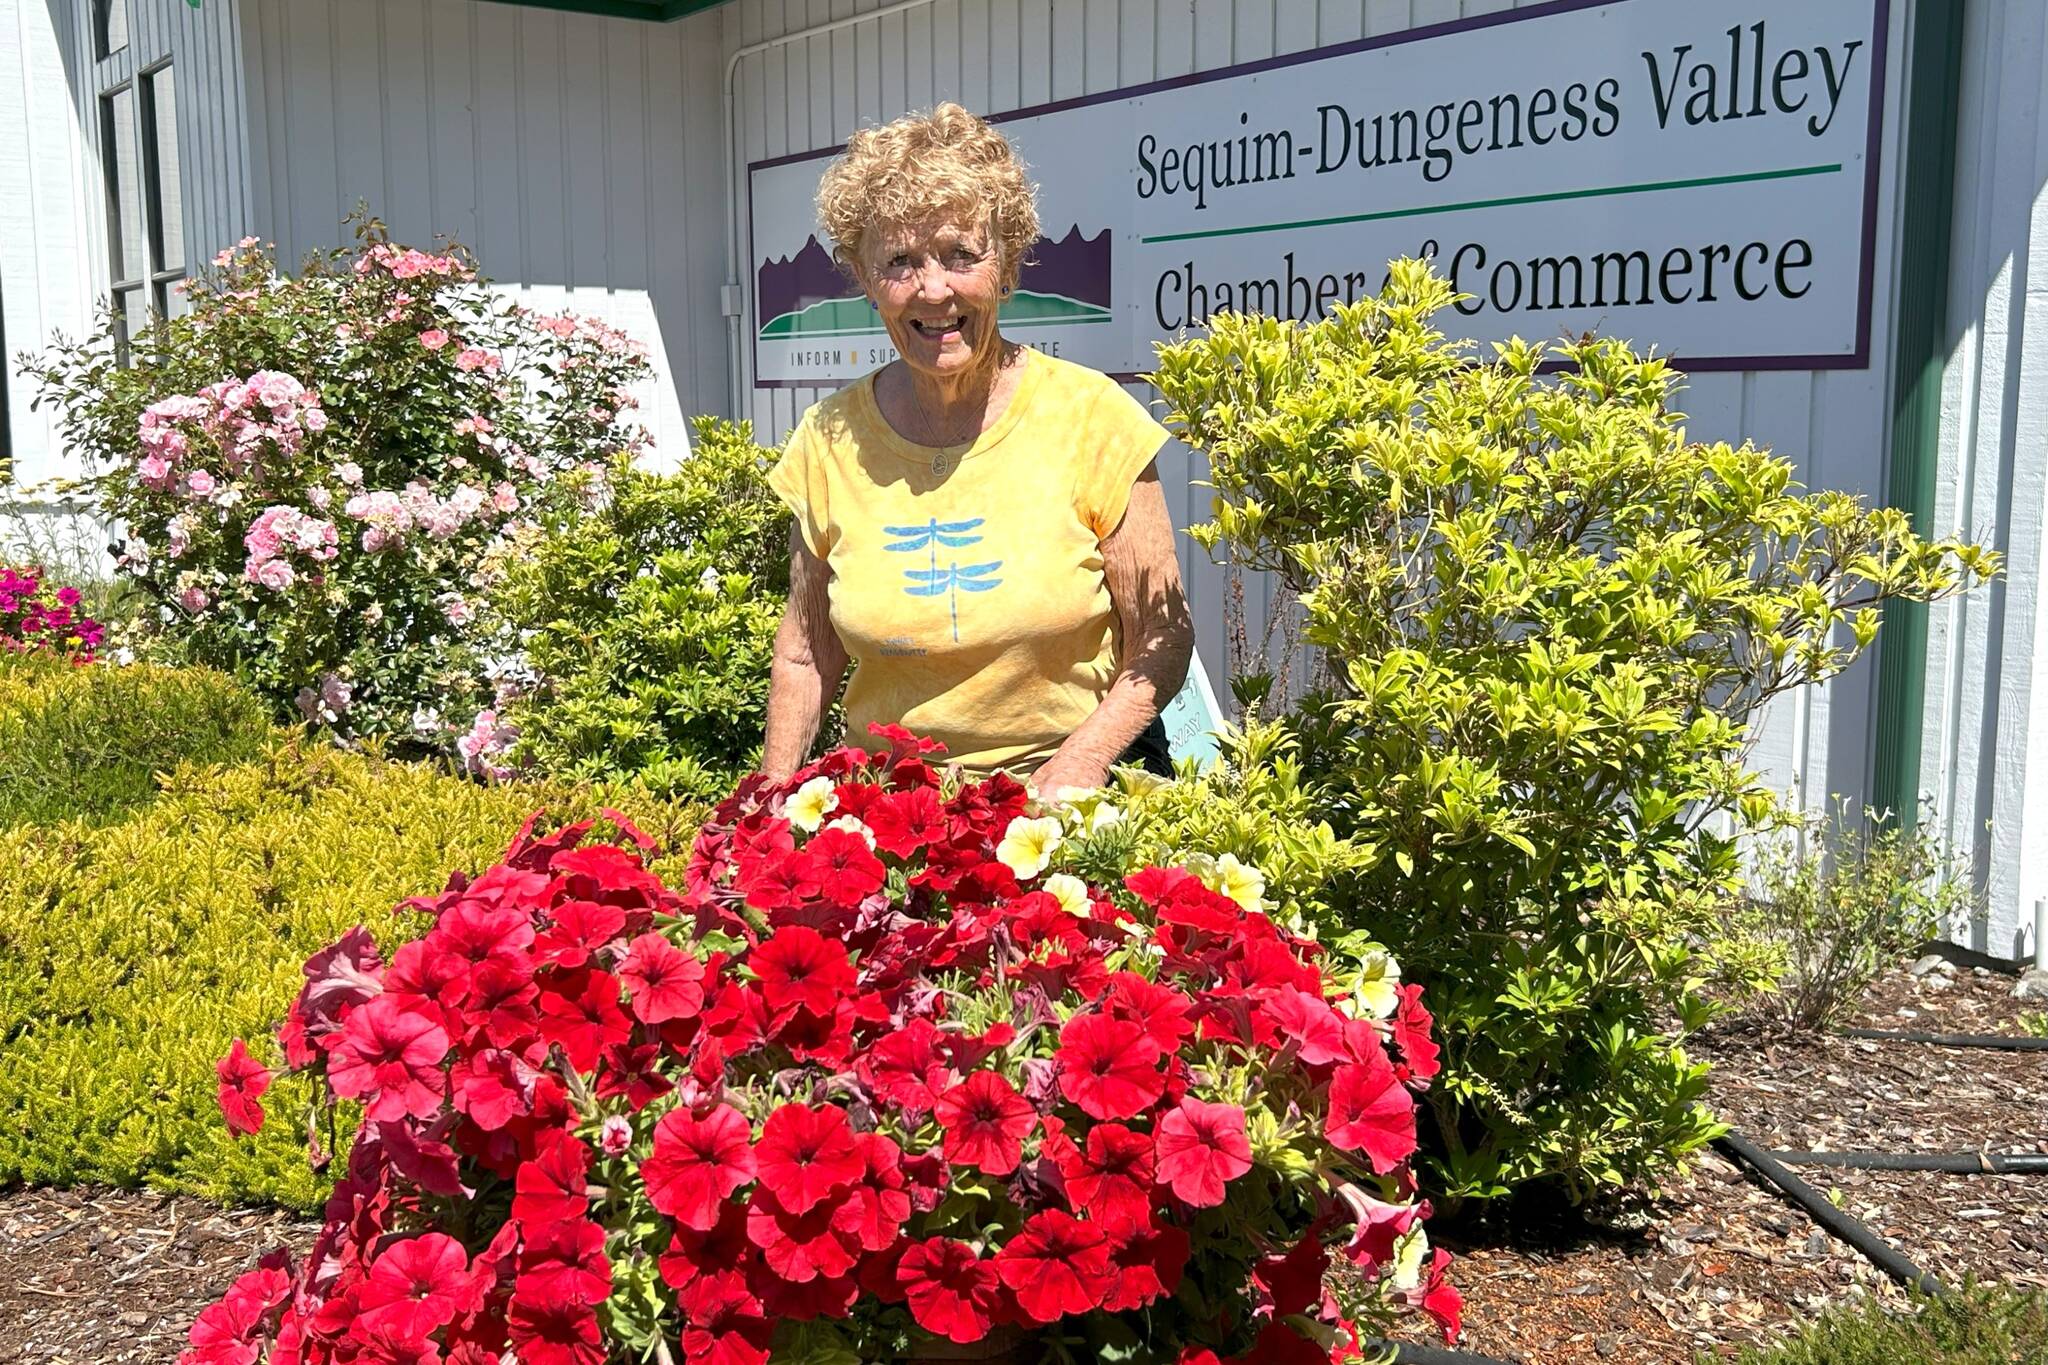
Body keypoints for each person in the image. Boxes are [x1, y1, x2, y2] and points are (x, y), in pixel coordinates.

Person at [761, 102, 1193, 795]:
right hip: (890, 815)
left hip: (1067, 799)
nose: (934, 288)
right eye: (899, 261)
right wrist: (771, 804)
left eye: (961, 254)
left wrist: (1079, 764)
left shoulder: (1091, 419)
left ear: (1008, 262)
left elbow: (1162, 638)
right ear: (866, 280)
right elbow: (807, 654)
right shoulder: (830, 439)